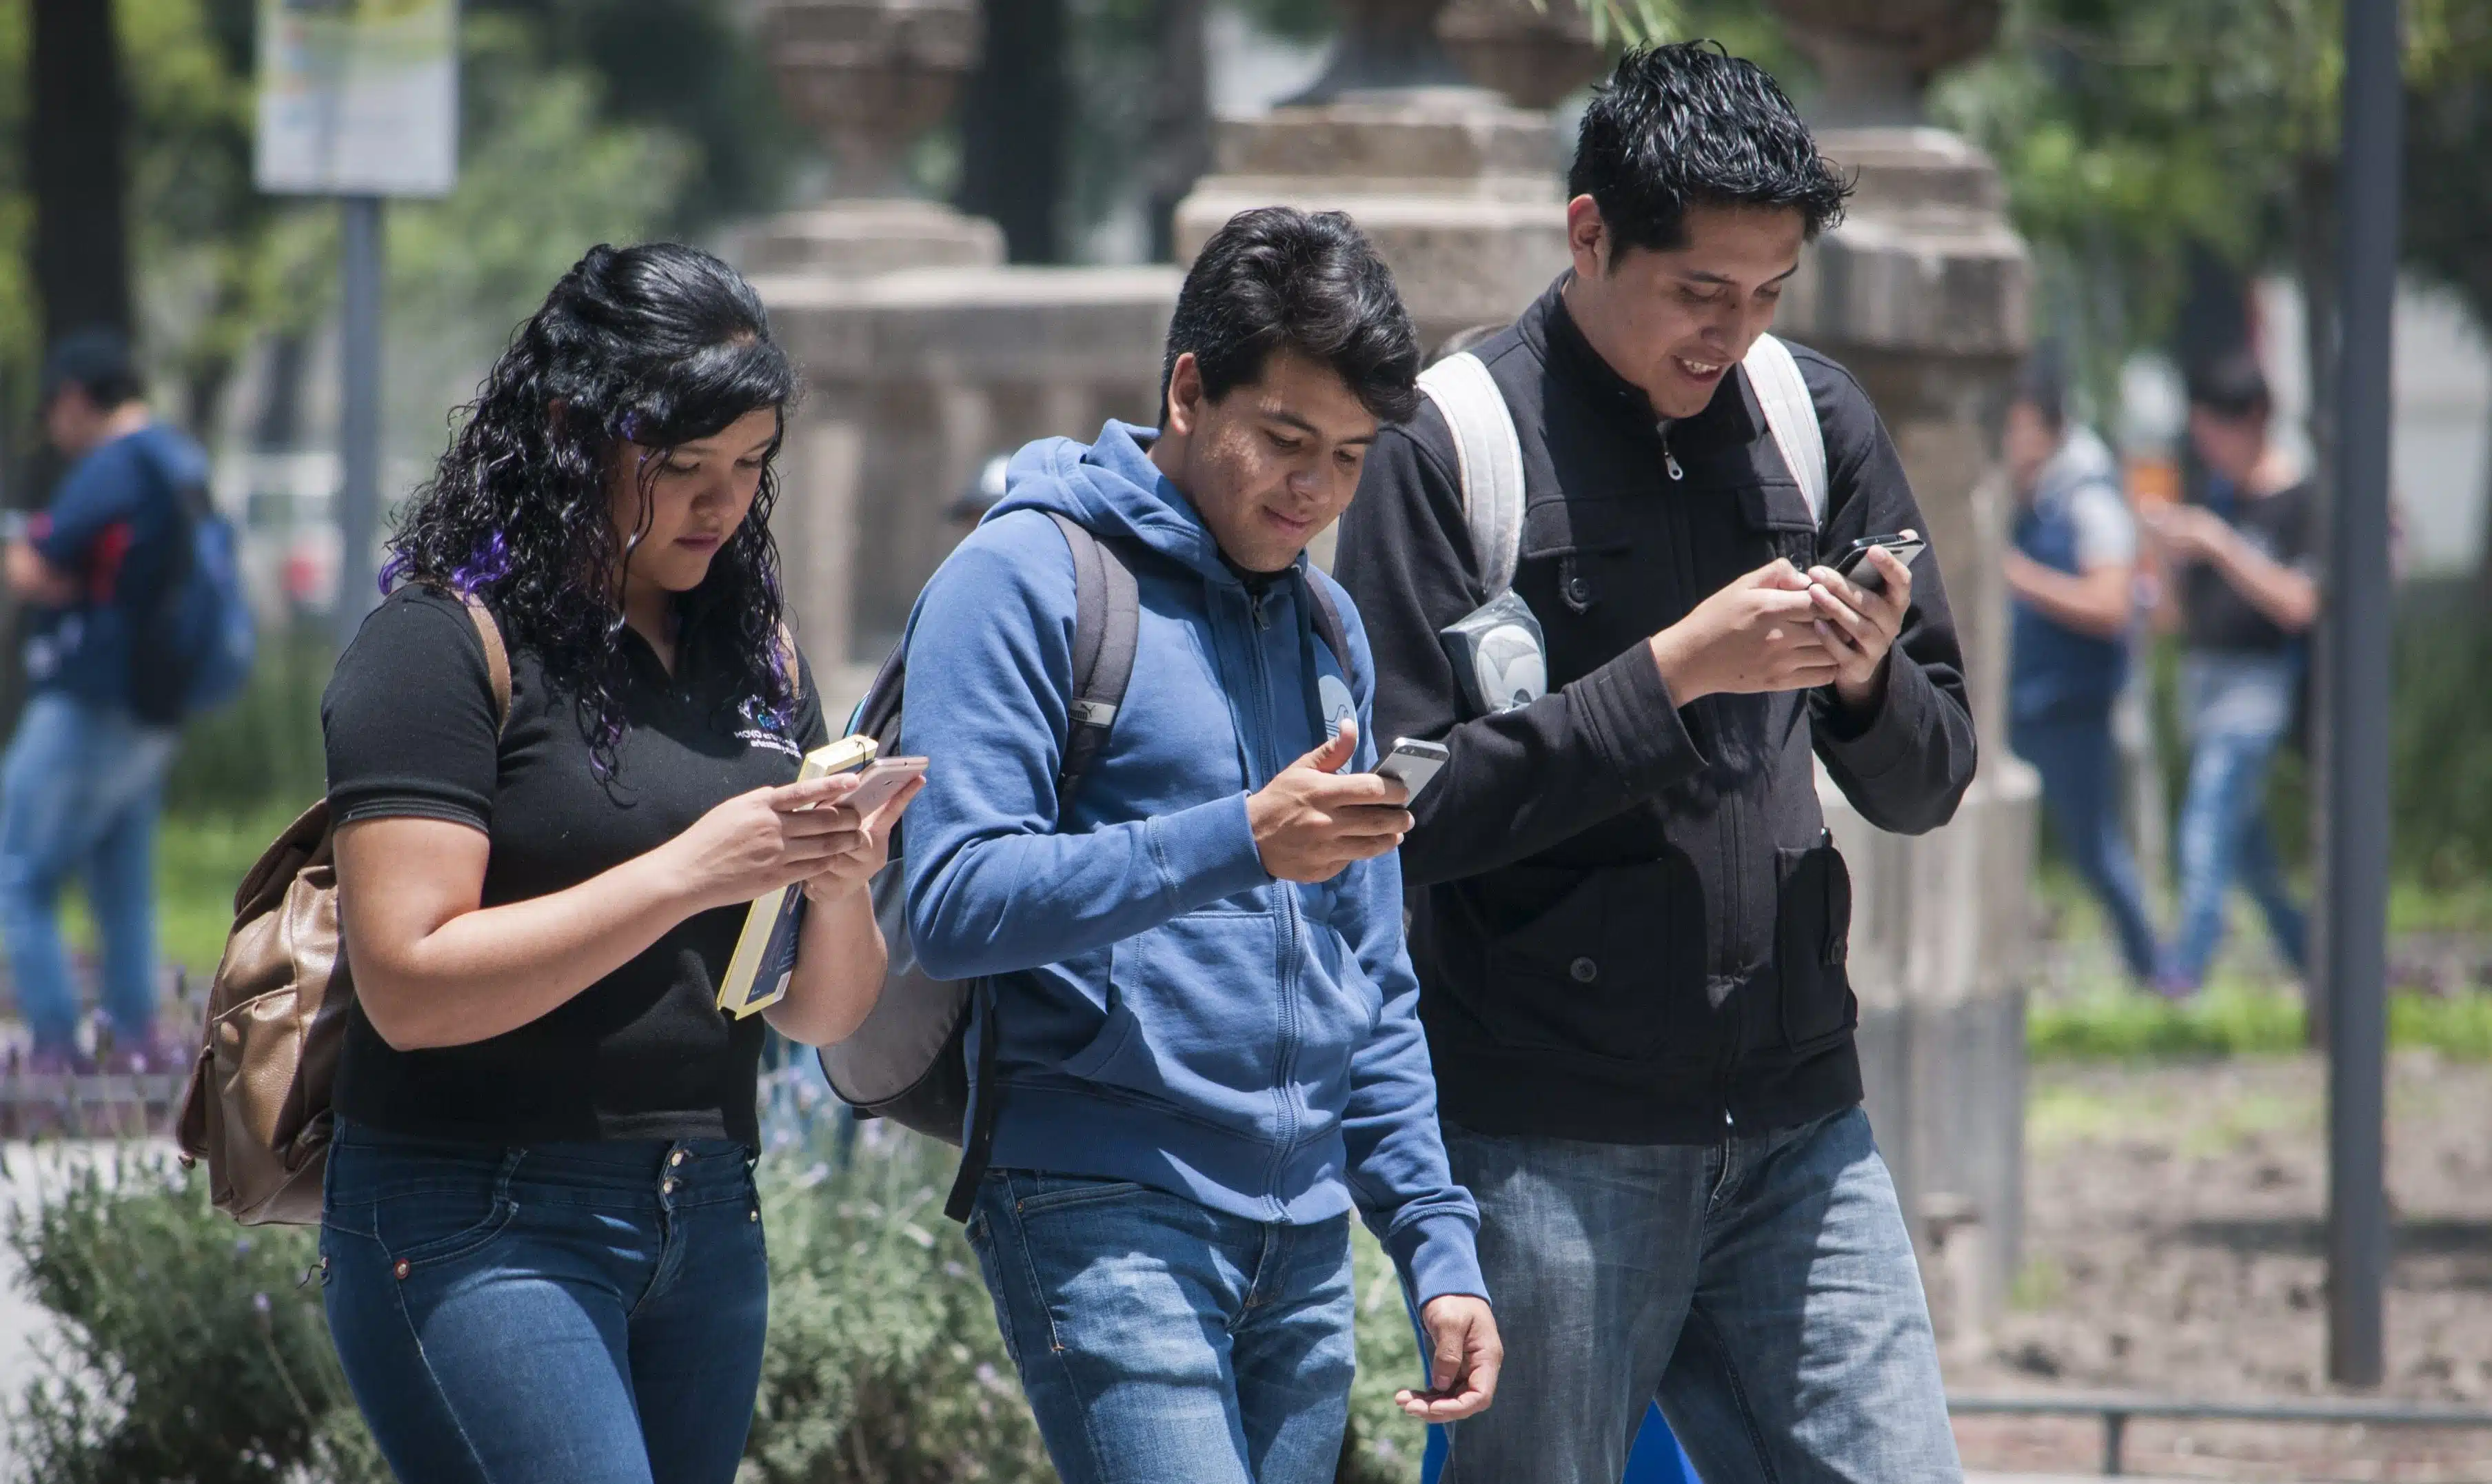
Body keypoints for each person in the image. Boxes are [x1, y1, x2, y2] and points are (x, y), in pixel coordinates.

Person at [1333, 43, 1978, 1484]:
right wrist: (1674, 673)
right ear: (1586, 234)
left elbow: (1931, 779)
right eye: (1697, 292)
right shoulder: (1449, 443)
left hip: (1803, 1122)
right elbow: (1406, 809)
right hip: (1542, 1140)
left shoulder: (1815, 423)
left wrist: (1867, 679)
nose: (1731, 335)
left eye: (1765, 296)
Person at [899, 206, 1499, 1484]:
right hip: (1099, 1201)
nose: (1315, 490)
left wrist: (1436, 1243)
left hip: (1303, 1234)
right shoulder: (1024, 577)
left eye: (1346, 457)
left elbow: (1369, 974)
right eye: (1285, 439)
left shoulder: (1330, 626)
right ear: (1187, 388)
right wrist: (1242, 839)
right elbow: (947, 894)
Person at [318, 243, 918, 1484]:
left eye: (750, 465)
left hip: (706, 1207)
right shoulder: (439, 641)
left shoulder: (755, 655)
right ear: (568, 431)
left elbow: (816, 1007)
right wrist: (691, 870)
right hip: (475, 1211)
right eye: (683, 466)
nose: (723, 503)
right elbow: (410, 983)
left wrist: (841, 878)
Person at [0, 327, 201, 1075]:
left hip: (90, 697)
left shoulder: (111, 465)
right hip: (155, 705)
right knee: (121, 878)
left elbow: (41, 564)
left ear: (77, 399)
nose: (54, 426)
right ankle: (135, 1042)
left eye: (53, 408)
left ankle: (55, 1049)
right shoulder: (181, 459)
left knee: (18, 870)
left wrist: (24, 556)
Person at [2143, 352, 2316, 995]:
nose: (2207, 446)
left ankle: (2185, 965)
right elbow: (2171, 620)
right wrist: (2161, 552)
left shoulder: (2298, 499)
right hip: (2204, 684)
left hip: (2260, 687)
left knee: (2207, 821)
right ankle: (2310, 954)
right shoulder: (2215, 495)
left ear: (2253, 419)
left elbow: (2298, 603)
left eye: (2215, 429)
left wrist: (2217, 542)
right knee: (2249, 854)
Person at [2000, 357, 2160, 984]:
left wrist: (2020, 577)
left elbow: (2108, 604)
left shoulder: (2088, 499)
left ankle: (2153, 968)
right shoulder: (2038, 495)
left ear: (2048, 427)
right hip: (2033, 699)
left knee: (2094, 849)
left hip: (2072, 704)